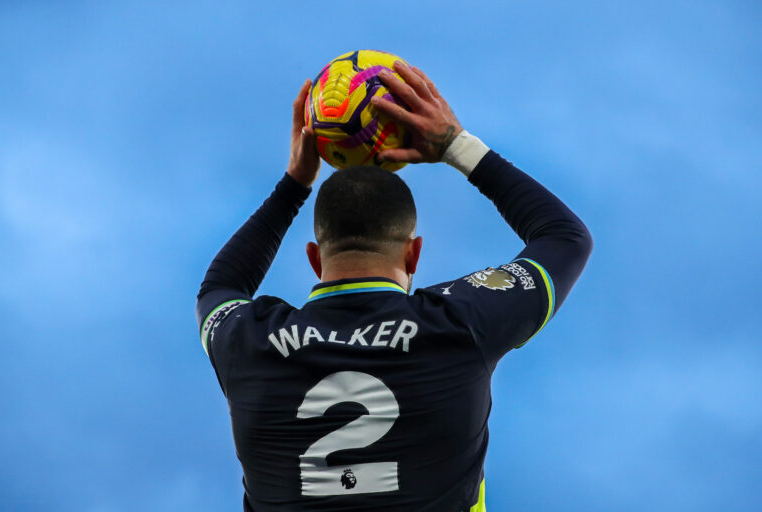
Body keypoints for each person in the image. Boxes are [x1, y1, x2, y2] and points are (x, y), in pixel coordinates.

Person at [196, 61, 592, 512]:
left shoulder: (248, 341)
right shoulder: (460, 321)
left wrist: (293, 185)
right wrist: (455, 146)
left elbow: (220, 286)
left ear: (313, 258)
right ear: (413, 253)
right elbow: (565, 237)